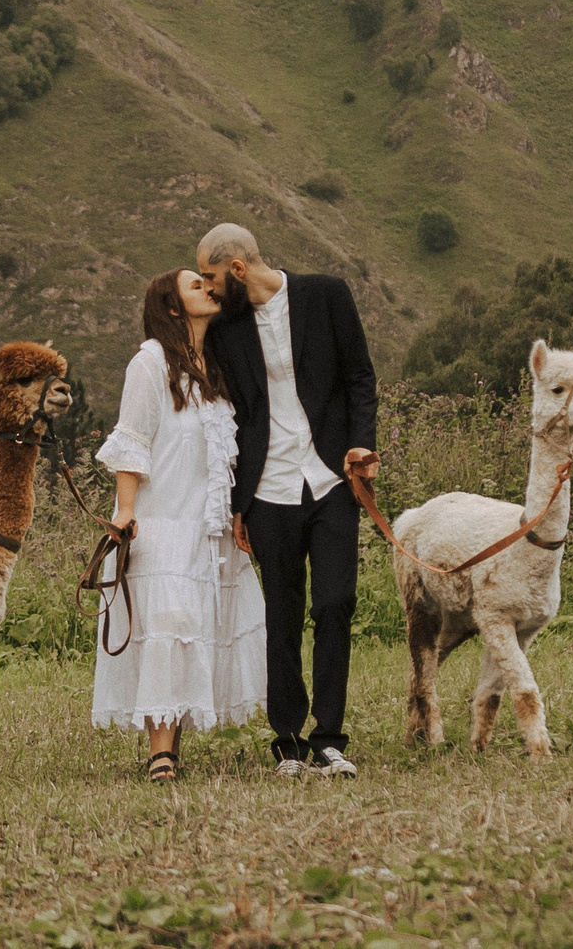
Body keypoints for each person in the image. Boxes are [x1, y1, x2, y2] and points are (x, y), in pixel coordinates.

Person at [196, 222, 378, 778]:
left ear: (237, 269)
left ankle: (329, 739)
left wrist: (361, 444)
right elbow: (230, 415)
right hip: (267, 489)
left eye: (210, 276)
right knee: (282, 614)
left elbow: (360, 377)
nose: (208, 288)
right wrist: (237, 501)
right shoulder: (225, 330)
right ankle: (288, 742)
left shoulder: (327, 295)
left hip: (331, 480)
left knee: (335, 603)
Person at [91, 268, 268, 781]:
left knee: (195, 629)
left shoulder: (213, 367)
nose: (209, 288)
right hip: (163, 519)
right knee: (167, 626)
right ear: (172, 307)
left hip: (207, 526)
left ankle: (173, 745)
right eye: (196, 285)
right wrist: (125, 510)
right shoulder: (150, 362)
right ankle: (161, 753)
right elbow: (132, 439)